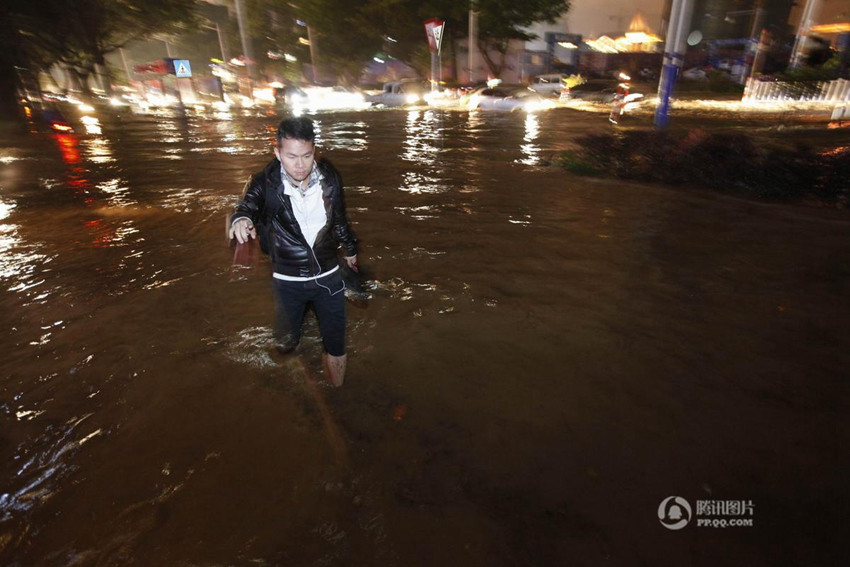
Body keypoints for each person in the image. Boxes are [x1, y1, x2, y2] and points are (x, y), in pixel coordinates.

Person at [229, 117, 358, 386]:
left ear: (314, 151)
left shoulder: (330, 177)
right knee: (286, 344)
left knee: (336, 345)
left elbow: (340, 220)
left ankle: (339, 396)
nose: (300, 165)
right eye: (291, 156)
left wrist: (351, 250)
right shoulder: (265, 183)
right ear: (277, 153)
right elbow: (247, 206)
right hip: (289, 282)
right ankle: (292, 385)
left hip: (329, 278)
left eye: (306, 155)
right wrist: (241, 219)